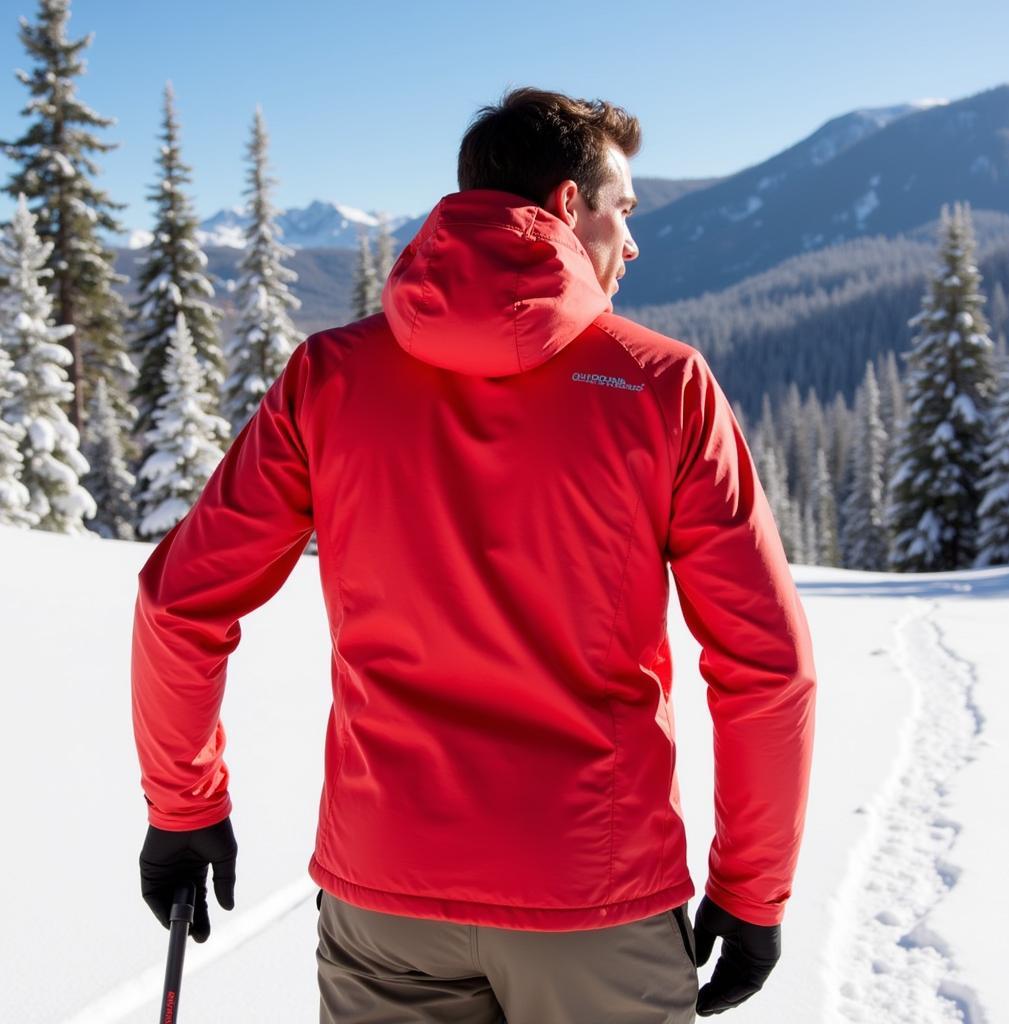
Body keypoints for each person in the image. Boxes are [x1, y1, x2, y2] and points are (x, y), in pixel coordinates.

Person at [133, 86, 817, 1023]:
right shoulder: (664, 387)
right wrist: (751, 890)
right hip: (592, 894)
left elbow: (181, 604)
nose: (634, 240)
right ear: (569, 208)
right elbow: (765, 665)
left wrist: (183, 808)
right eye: (624, 209)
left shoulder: (329, 378)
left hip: (386, 895)